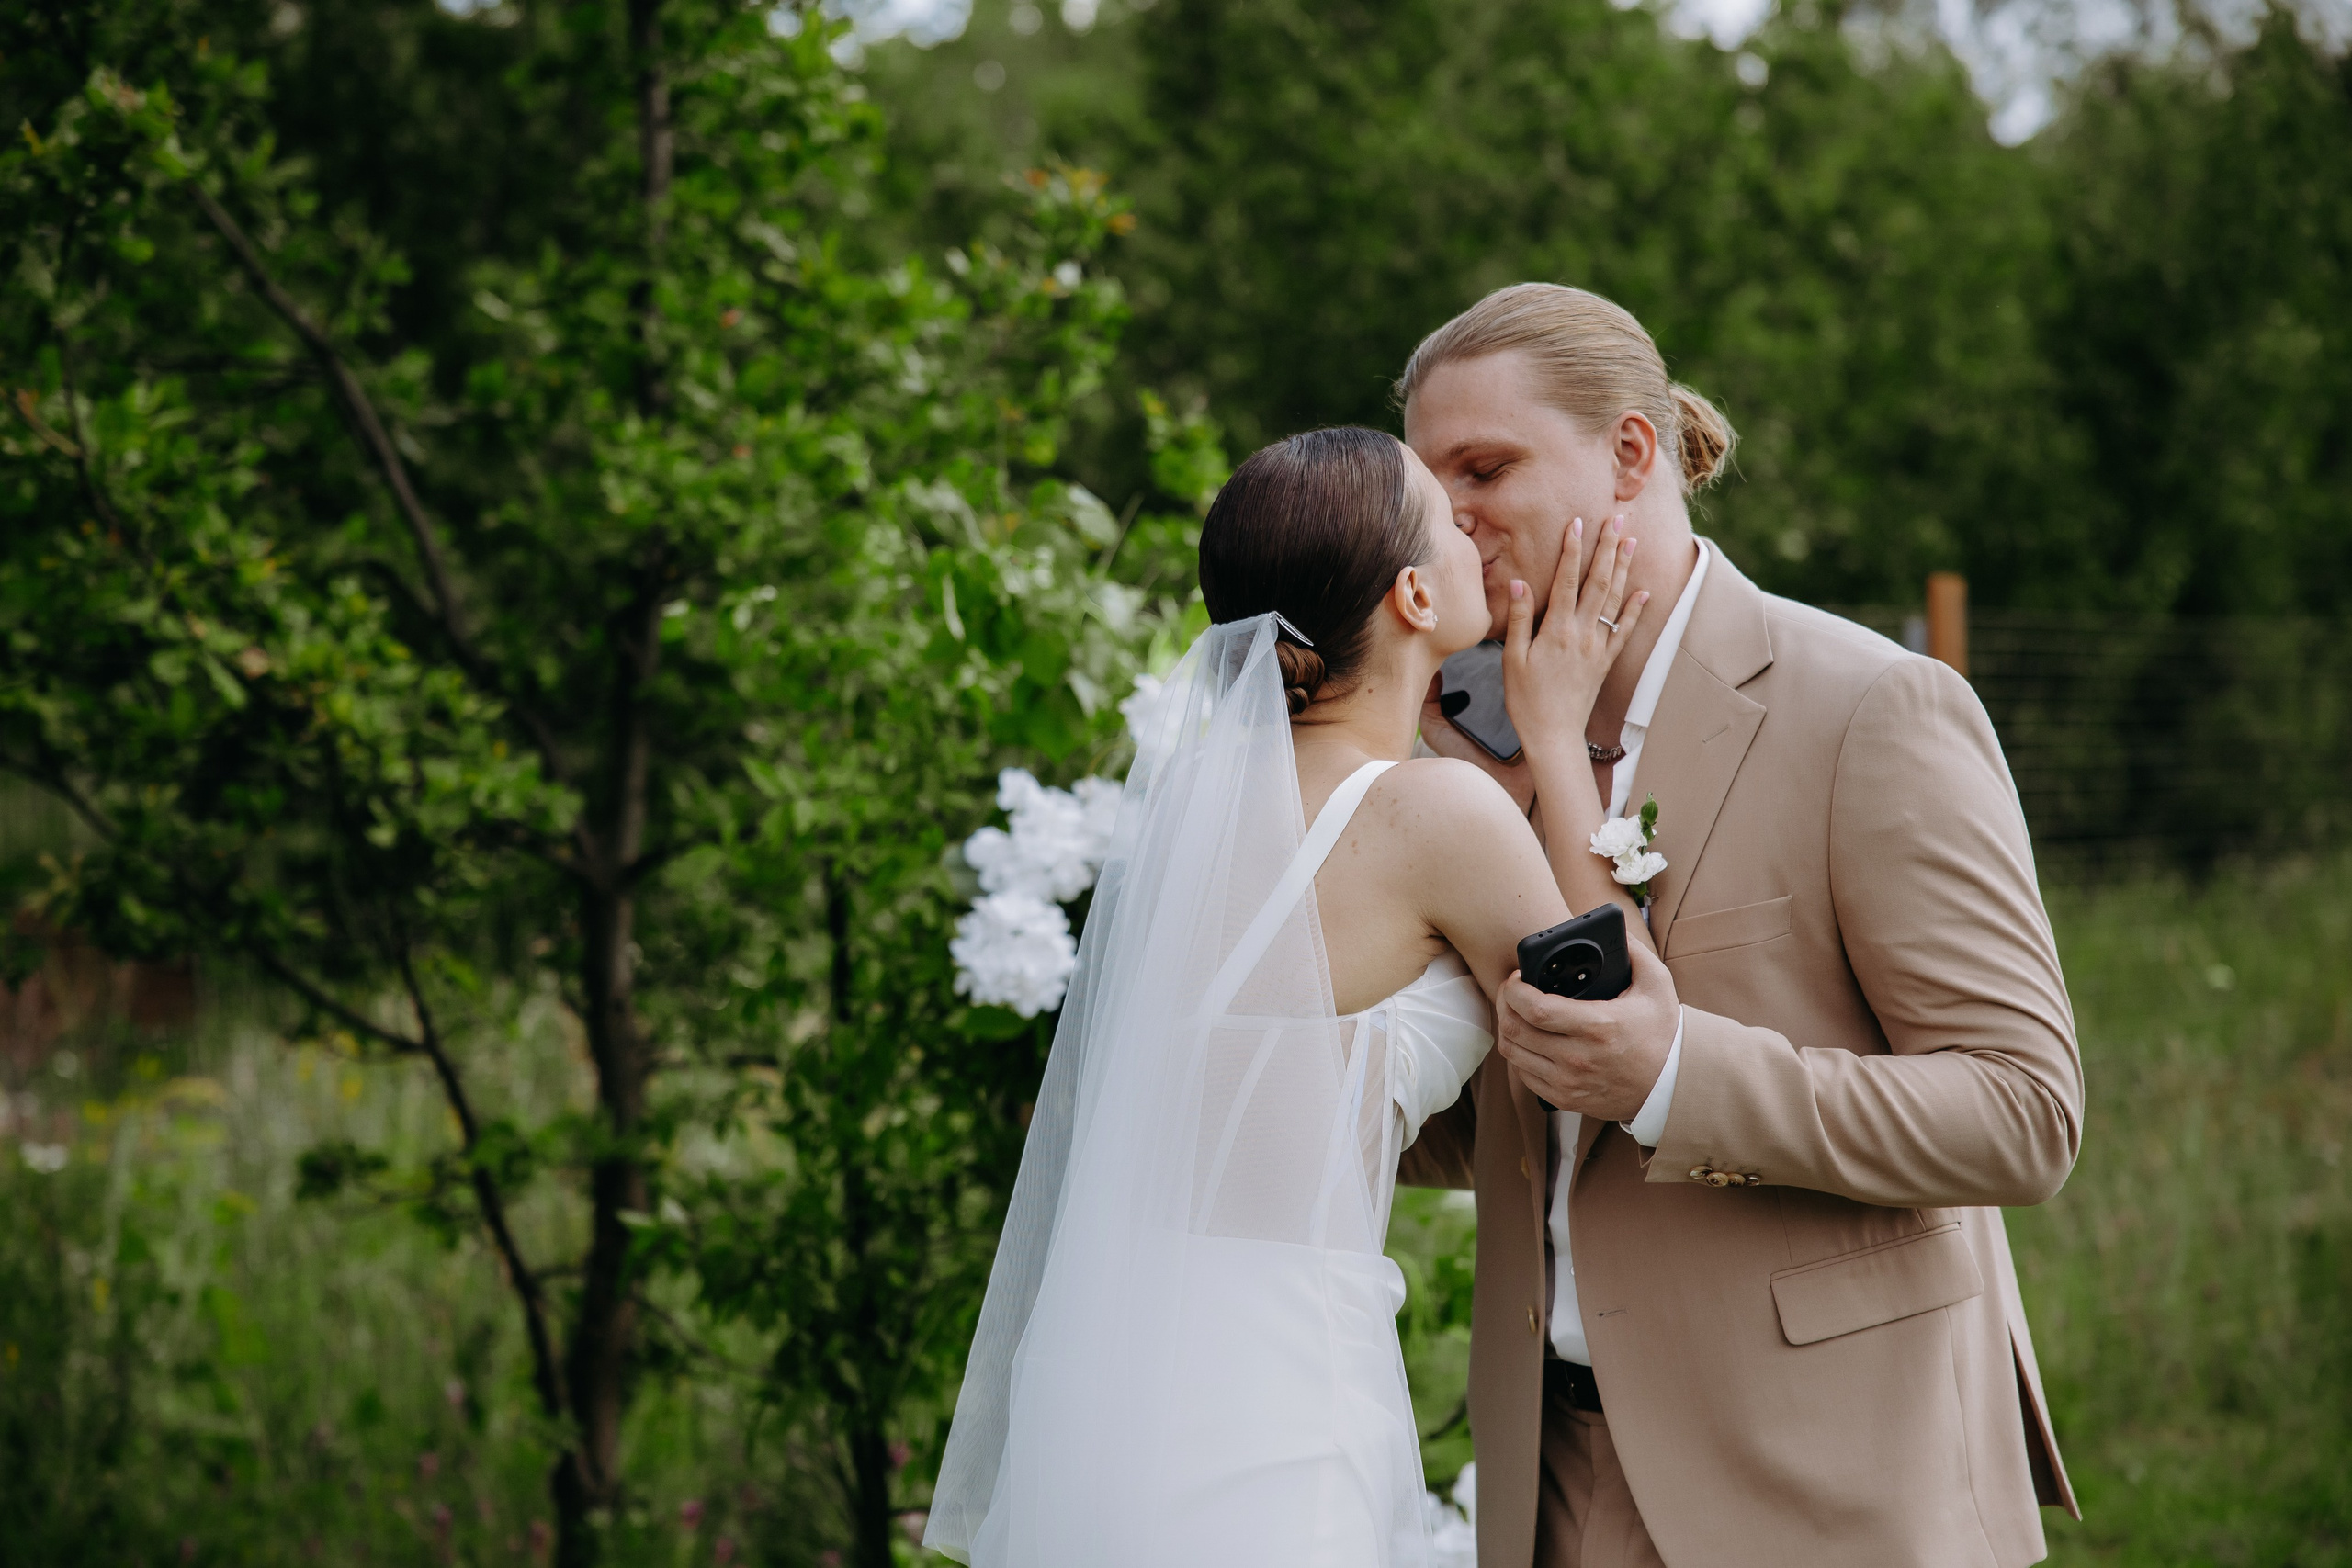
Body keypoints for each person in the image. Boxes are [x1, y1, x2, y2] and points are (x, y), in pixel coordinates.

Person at [1396, 282, 2084, 1568]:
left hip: (1830, 1481)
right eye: (1433, 490)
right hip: (1545, 1480)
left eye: (1486, 466)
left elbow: (2024, 1111)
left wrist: (1674, 1077)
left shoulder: (1872, 710)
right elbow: (1510, 1120)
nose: (1453, 516)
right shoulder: (1461, 737)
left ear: (1632, 451)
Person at [924, 424, 1656, 1567]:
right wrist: (1555, 730)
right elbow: (1624, 1012)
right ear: (1414, 594)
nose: (1472, 530)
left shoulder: (1197, 814)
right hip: (1278, 1376)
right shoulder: (1434, 817)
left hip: (1124, 1355)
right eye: (1444, 517)